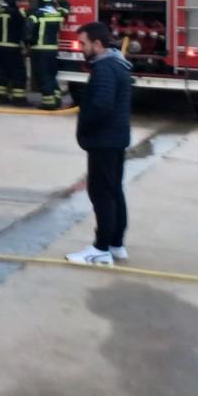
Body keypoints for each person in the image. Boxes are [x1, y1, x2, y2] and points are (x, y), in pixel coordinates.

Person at [67, 22, 133, 266]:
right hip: (114, 140)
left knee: (101, 193)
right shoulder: (117, 64)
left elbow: (101, 106)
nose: (81, 48)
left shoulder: (105, 68)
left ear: (97, 44)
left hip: (104, 142)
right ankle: (116, 244)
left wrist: (85, 130)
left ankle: (101, 248)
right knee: (114, 190)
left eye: (83, 43)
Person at [28, 0, 66, 109]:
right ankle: (57, 99)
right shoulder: (58, 15)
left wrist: (28, 43)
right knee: (51, 75)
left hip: (39, 50)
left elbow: (27, 31)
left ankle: (49, 103)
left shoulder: (36, 15)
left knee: (43, 75)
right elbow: (66, 8)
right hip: (53, 50)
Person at [0, 0, 29, 104]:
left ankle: (1, 97)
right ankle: (19, 99)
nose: (19, 2)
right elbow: (24, 28)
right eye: (18, 0)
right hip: (12, 47)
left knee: (3, 71)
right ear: (13, 0)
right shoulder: (18, 13)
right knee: (18, 72)